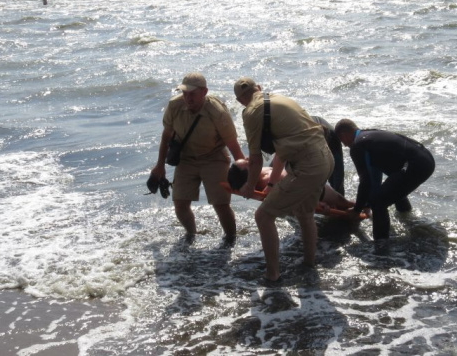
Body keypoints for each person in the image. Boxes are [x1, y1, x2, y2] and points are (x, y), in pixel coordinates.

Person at [234, 77, 334, 283]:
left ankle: (272, 276)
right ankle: (309, 264)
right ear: (259, 88)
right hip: (326, 157)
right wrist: (270, 184)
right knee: (304, 213)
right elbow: (282, 153)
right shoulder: (280, 99)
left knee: (263, 216)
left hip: (308, 166)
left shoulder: (251, 112)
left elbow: (255, 159)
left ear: (240, 101)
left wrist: (249, 186)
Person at [150, 73, 245, 243]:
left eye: (192, 93)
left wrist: (245, 171)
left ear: (204, 92)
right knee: (180, 203)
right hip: (186, 159)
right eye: (185, 93)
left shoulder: (217, 111)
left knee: (220, 204)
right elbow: (166, 136)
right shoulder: (175, 105)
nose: (188, 98)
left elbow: (232, 143)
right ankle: (191, 235)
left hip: (214, 158)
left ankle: (231, 239)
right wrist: (159, 166)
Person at [334, 118, 435, 250]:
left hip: (416, 165)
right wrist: (365, 203)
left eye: (342, 142)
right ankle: (408, 218)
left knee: (379, 202)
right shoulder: (370, 136)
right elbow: (374, 176)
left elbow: (365, 181)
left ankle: (381, 246)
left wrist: (357, 209)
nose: (345, 145)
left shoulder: (357, 146)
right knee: (392, 188)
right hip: (426, 159)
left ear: (344, 135)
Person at [227, 156, 354, 213]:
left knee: (343, 203)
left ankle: (360, 205)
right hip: (312, 190)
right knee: (345, 204)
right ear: (250, 175)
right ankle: (366, 206)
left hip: (304, 183)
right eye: (248, 163)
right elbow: (293, 190)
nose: (249, 159)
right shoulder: (266, 179)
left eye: (246, 159)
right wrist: (315, 203)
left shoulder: (258, 173)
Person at [311, 116, 345, 196]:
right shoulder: (301, 139)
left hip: (331, 136)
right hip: (312, 133)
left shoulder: (333, 139)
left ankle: (338, 200)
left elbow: (338, 171)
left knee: (337, 176)